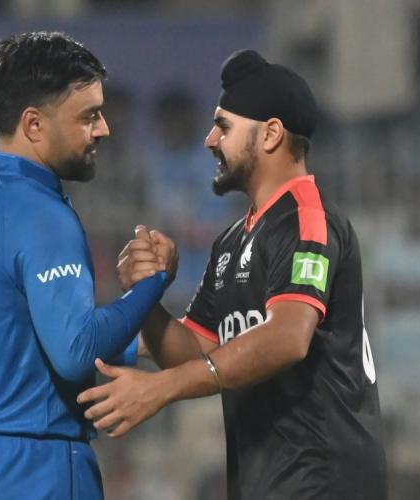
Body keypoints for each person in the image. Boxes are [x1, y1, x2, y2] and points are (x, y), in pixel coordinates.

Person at [78, 49, 387, 499]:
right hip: (267, 482)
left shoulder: (306, 218)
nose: (209, 140)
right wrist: (148, 295)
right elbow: (196, 349)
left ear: (271, 134)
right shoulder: (232, 240)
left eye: (223, 127)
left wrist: (162, 389)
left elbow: (287, 337)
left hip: (322, 482)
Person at [0, 32, 173, 500]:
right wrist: (153, 282)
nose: (104, 129)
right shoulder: (42, 214)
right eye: (88, 116)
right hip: (34, 462)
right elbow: (75, 351)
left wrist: (135, 345)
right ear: (34, 124)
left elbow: (21, 333)